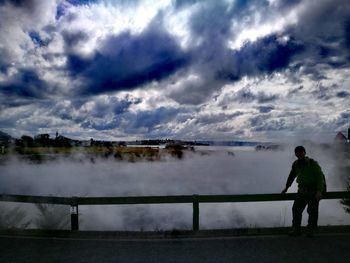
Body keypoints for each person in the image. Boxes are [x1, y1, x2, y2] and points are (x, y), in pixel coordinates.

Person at [281, 146, 326, 237]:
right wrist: (286, 188)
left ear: (305, 153)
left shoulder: (312, 163)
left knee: (312, 211)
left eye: (301, 152)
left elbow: (319, 177)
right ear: (295, 154)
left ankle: (311, 230)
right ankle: (296, 229)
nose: (299, 154)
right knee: (296, 209)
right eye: (297, 152)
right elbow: (291, 176)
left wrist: (319, 191)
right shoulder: (295, 164)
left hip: (313, 191)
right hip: (302, 191)